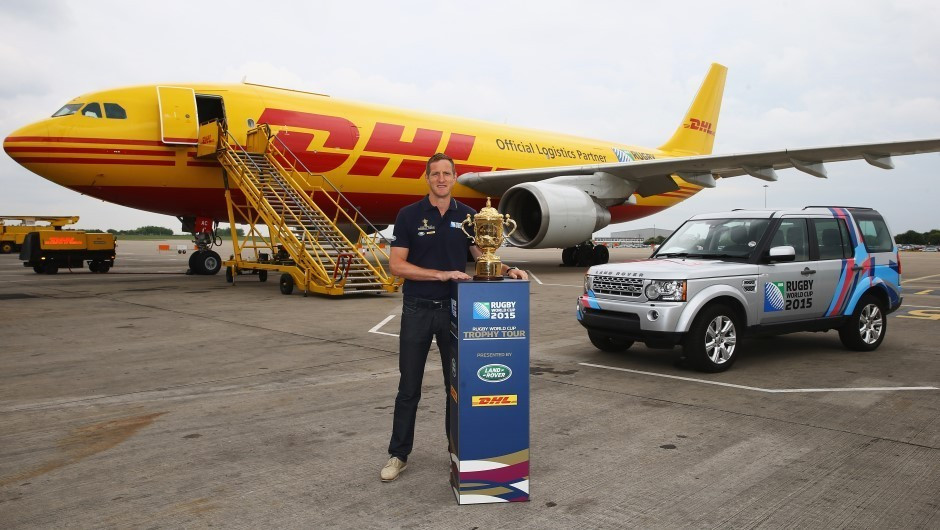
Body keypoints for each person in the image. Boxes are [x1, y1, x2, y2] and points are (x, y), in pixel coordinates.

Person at [380, 152, 528, 482]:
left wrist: (509, 269)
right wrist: (442, 275)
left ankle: (455, 450)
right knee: (409, 387)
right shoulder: (409, 215)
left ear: (454, 177)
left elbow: (482, 254)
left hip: (455, 312)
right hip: (418, 309)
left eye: (447, 173)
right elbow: (397, 265)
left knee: (456, 387)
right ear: (428, 178)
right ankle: (398, 454)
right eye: (436, 174)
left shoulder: (469, 216)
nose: (442, 179)